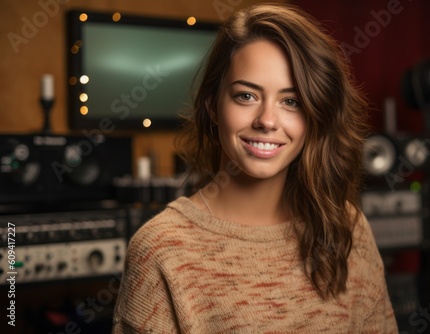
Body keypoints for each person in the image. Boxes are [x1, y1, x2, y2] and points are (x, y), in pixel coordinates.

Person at [112, 3, 398, 333]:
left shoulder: (347, 227)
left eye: (291, 101)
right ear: (213, 106)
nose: (267, 120)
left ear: (314, 116)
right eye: (246, 96)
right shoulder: (161, 250)